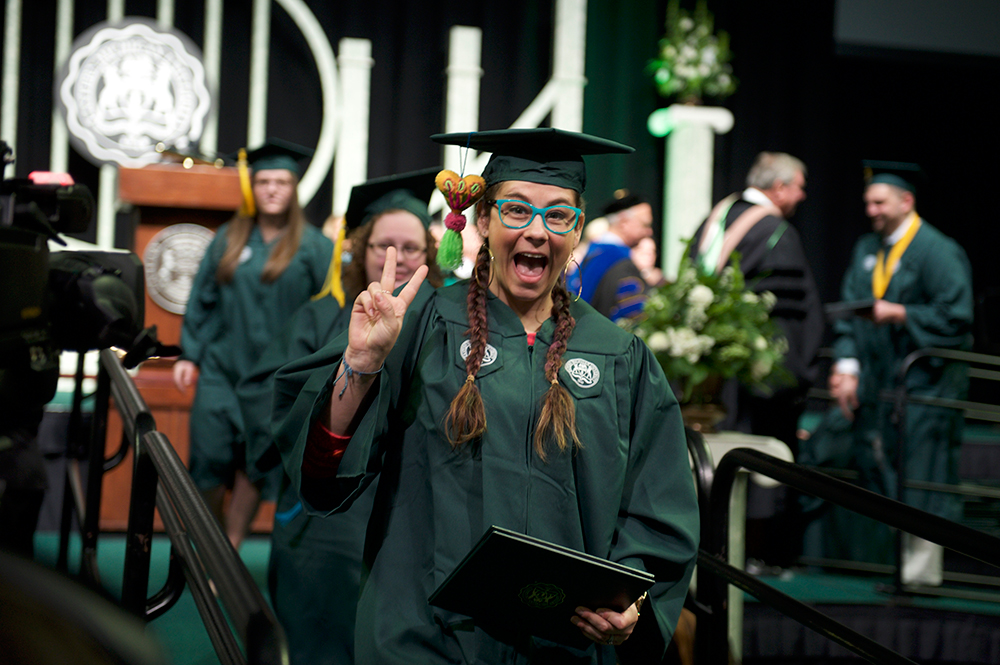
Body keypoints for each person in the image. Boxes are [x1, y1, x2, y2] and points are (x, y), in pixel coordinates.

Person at [271, 128, 699, 664]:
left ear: (578, 229)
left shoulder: (620, 357)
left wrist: (631, 604)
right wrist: (360, 365)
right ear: (482, 220)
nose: (537, 232)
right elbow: (321, 468)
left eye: (557, 215)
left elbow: (658, 508)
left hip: (562, 645)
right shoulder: (424, 324)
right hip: (422, 635)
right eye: (516, 210)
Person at [237, 169, 443, 665]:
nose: (395, 257)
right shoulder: (317, 316)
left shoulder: (446, 322)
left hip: (408, 514)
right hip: (325, 524)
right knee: (319, 638)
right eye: (382, 244)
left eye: (410, 247)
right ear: (359, 247)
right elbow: (266, 398)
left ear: (429, 255)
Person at [172, 138, 333, 550]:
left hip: (277, 379)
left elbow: (331, 310)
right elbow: (203, 299)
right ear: (252, 187)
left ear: (294, 188)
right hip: (222, 370)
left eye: (281, 181)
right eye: (263, 181)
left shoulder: (314, 247)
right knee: (207, 459)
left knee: (254, 465)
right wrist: (190, 354)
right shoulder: (229, 238)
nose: (272, 189)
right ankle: (212, 539)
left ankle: (230, 545)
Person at [828, 161, 973, 586]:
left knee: (923, 476)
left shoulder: (937, 250)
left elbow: (956, 316)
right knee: (882, 471)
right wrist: (847, 366)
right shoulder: (866, 249)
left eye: (879, 202)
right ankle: (893, 568)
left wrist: (901, 312)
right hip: (880, 383)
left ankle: (920, 578)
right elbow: (851, 312)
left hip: (928, 386)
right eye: (867, 202)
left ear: (906, 201)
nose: (870, 210)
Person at [578, 192, 654, 321]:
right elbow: (632, 317)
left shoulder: (593, 252)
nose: (649, 231)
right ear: (624, 222)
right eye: (645, 225)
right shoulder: (620, 262)